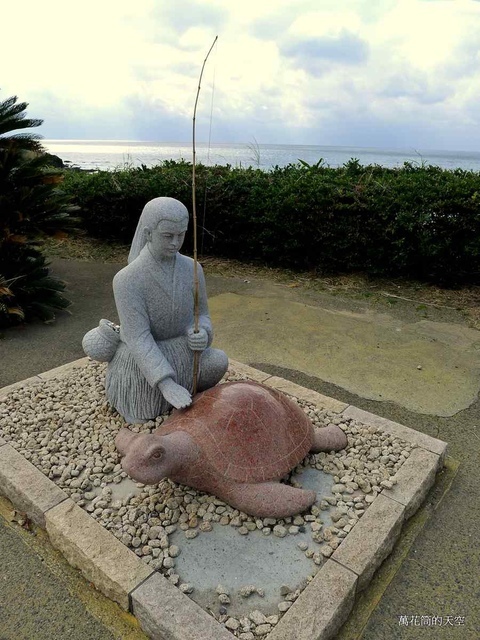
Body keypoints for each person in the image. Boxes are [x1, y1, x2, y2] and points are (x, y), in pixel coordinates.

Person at [84, 197, 228, 423]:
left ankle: (184, 386)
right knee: (144, 410)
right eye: (168, 236)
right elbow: (137, 336)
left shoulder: (192, 269)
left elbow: (202, 315)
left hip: (183, 350)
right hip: (146, 358)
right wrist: (165, 382)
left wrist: (202, 333)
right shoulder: (127, 279)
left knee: (218, 361)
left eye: (181, 235)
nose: (175, 242)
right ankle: (164, 389)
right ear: (149, 233)